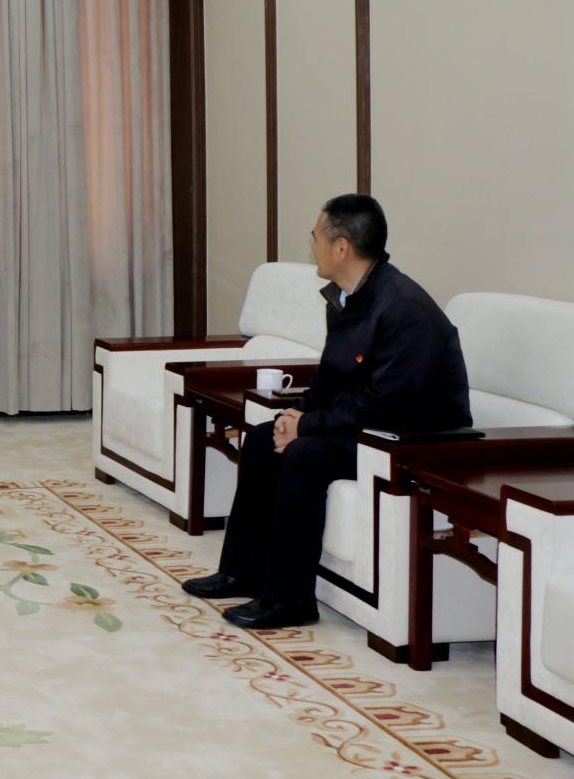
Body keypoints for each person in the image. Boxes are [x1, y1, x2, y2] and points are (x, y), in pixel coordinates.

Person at [182, 194, 471, 629]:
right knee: (262, 440)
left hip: (414, 437)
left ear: (341, 247)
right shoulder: (347, 297)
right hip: (370, 426)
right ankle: (242, 572)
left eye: (316, 236)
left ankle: (290, 600)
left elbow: (387, 402)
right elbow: (331, 379)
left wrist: (309, 427)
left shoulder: (404, 309)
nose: (312, 244)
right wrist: (293, 417)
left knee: (305, 456)